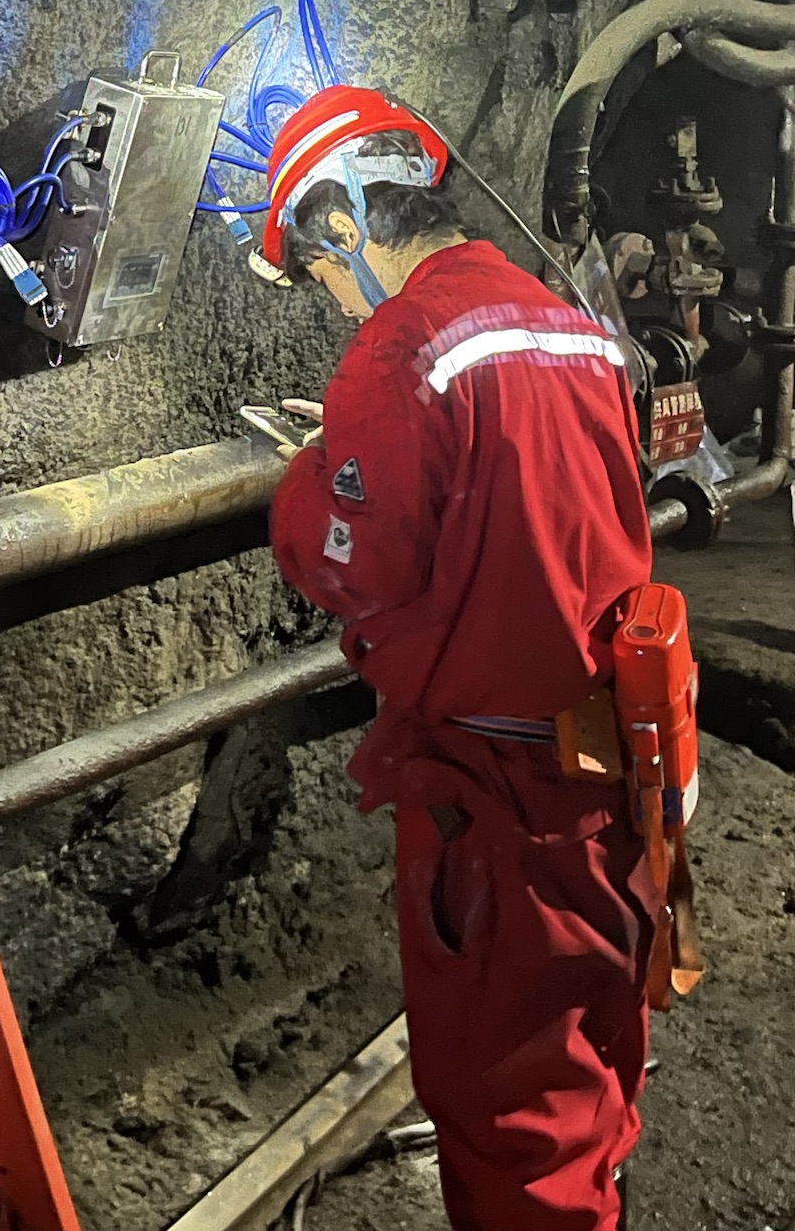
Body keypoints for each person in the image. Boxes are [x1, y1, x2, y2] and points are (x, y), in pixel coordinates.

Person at [251, 83, 665, 1231]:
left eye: (321, 272)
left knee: (505, 1094)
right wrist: (368, 446)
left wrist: (312, 479)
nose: (335, 300)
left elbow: (356, 564)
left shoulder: (402, 346)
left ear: (347, 225)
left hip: (498, 796)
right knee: (587, 1052)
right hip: (608, 762)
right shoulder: (563, 321)